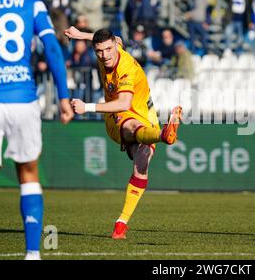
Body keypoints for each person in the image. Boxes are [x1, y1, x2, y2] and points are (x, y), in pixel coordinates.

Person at [0, 0, 74, 260]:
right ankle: (33, 255)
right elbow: (53, 49)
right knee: (29, 174)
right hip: (22, 98)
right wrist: (64, 96)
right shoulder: (31, 3)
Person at [64, 26, 183, 239]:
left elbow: (125, 100)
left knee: (142, 163)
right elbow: (122, 103)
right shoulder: (111, 48)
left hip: (144, 111)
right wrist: (82, 35)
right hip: (116, 114)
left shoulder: (125, 65)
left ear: (115, 48)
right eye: (99, 51)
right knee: (132, 128)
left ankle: (121, 223)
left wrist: (87, 107)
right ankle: (163, 135)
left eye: (109, 49)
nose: (105, 55)